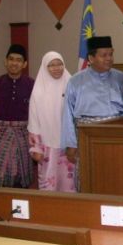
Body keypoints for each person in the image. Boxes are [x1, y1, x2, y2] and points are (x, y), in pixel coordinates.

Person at [61, 36, 123, 187]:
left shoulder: (121, 78)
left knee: (117, 176)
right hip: (87, 136)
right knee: (88, 177)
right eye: (104, 55)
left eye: (111, 54)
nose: (109, 58)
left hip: (116, 136)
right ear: (91, 58)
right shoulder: (75, 81)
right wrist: (71, 144)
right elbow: (68, 115)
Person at [28, 52, 75, 192]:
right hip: (47, 146)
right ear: (45, 67)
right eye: (51, 65)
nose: (57, 68)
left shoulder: (71, 85)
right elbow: (34, 120)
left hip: (69, 146)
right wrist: (36, 148)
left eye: (60, 64)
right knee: (49, 184)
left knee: (70, 184)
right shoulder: (38, 91)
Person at [0, 44, 34, 188]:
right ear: (5, 61)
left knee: (22, 174)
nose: (14, 63)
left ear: (24, 64)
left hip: (24, 134)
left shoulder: (32, 85)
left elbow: (37, 111)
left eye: (18, 60)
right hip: (1, 134)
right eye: (11, 59)